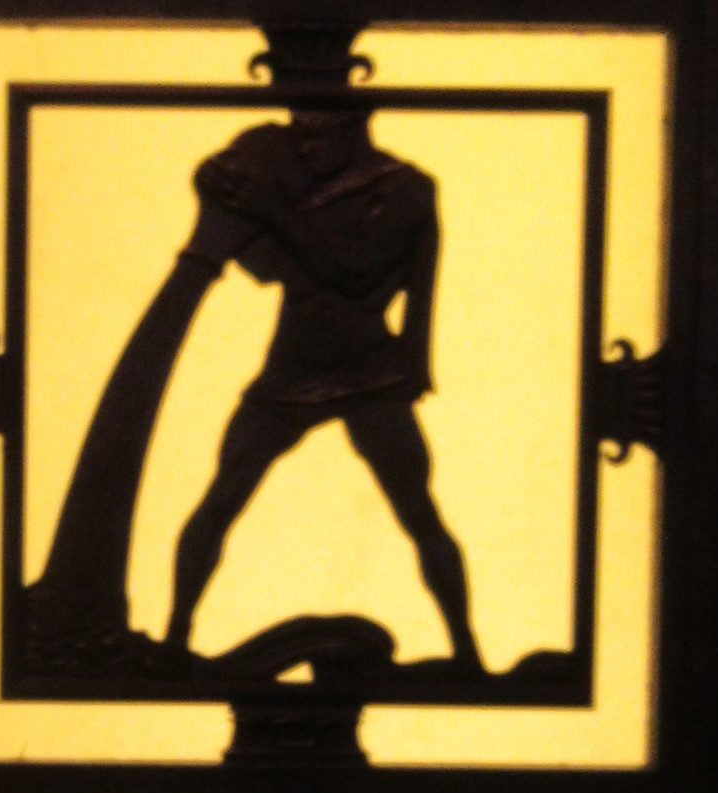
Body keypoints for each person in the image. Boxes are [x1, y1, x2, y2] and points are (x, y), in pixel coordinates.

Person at [164, 105, 481, 671]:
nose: (304, 150)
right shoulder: (299, 188)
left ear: (351, 128)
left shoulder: (405, 190)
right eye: (299, 138)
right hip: (290, 370)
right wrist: (217, 189)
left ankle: (467, 651)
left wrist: (272, 211)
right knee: (221, 497)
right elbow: (266, 264)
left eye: (315, 137)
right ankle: (174, 638)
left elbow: (354, 270)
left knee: (418, 511)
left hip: (370, 373)